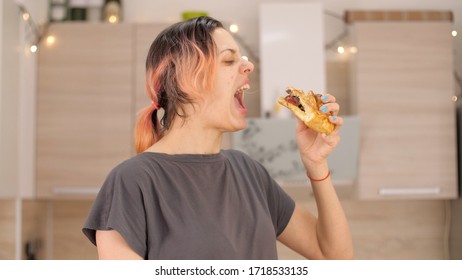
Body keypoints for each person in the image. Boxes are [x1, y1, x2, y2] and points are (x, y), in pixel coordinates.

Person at [82, 16, 353, 260]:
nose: (248, 66)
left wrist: (316, 164)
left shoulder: (249, 172)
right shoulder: (132, 182)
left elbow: (334, 258)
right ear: (186, 79)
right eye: (228, 60)